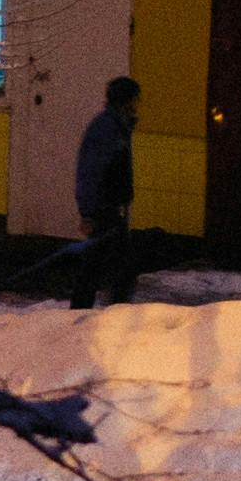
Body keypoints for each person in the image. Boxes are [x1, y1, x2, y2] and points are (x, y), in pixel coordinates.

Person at [67, 74, 145, 307]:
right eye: (135, 100)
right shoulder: (106, 129)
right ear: (126, 100)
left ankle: (93, 310)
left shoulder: (117, 126)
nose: (137, 105)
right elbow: (90, 171)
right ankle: (87, 312)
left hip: (111, 207)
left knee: (107, 264)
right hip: (103, 208)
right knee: (104, 265)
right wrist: (88, 212)